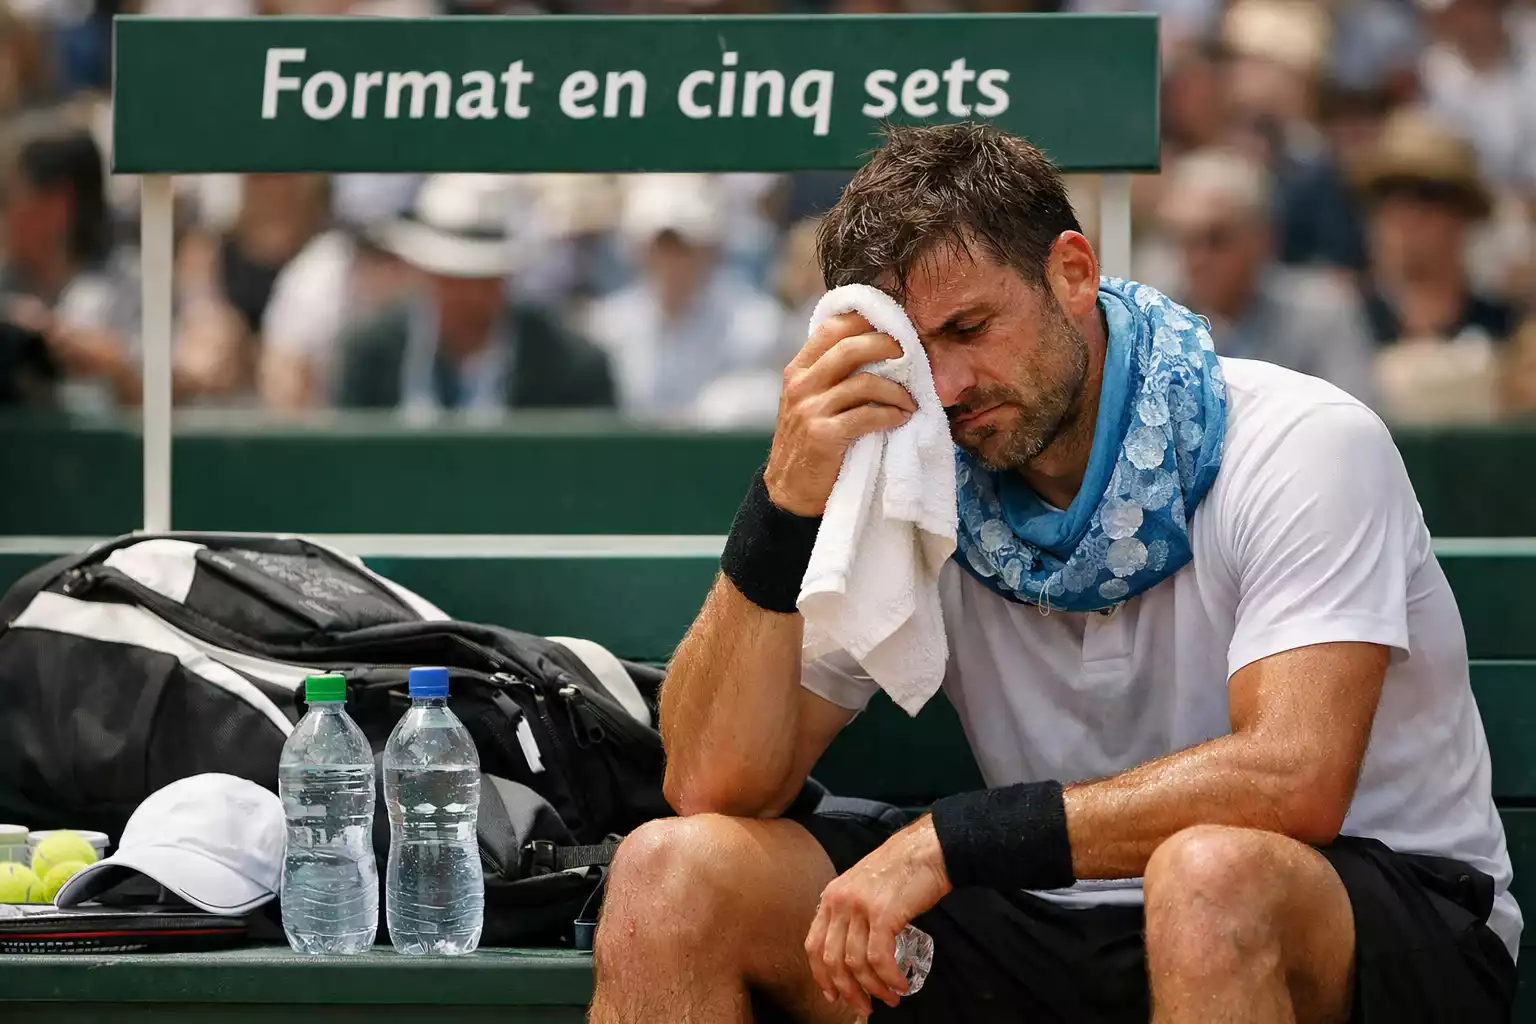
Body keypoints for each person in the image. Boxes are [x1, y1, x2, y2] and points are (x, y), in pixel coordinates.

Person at [589, 124, 1518, 1023]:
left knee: (1209, 879)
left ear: (1073, 272)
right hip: (1050, 912)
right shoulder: (911, 468)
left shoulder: (1303, 439)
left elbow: (1294, 780)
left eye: (971, 327)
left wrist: (957, 840)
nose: (947, 388)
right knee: (672, 873)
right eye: (918, 355)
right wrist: (785, 498)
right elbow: (712, 788)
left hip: (1382, 912)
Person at [332, 174, 615, 414]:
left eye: (481, 279)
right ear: (427, 273)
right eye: (451, 277)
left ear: (504, 278)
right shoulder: (370, 354)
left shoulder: (571, 365)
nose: (466, 294)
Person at [1156, 147, 1379, 405]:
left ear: (1263, 237)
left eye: (1215, 238)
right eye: (1184, 239)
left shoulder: (1322, 312)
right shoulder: (1160, 321)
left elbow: (1352, 416)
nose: (1197, 258)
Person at [584, 175, 784, 421]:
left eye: (683, 247)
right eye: (661, 246)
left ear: (710, 250)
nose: (671, 260)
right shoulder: (606, 326)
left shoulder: (757, 323)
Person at [0, 124, 139, 408]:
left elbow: (184, 392)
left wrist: (114, 366)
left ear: (58, 204)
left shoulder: (133, 285)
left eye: (4, 195)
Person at [1358, 108, 1521, 348]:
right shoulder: (1348, 325)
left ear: (1465, 213)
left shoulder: (1506, 328)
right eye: (1389, 193)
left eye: (1427, 195)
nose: (1405, 214)